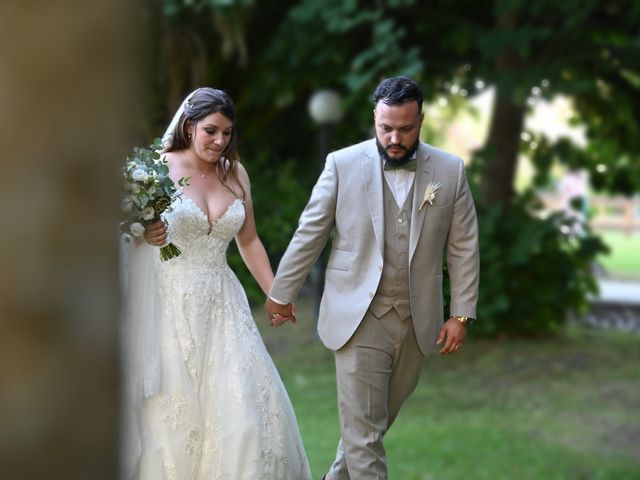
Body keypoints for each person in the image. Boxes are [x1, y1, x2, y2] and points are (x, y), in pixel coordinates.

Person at [265, 76, 480, 479]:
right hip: (357, 318)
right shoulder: (342, 164)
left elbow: (464, 246)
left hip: (419, 320)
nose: (395, 138)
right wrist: (282, 292)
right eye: (386, 128)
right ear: (374, 119)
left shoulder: (449, 171)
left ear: (421, 120)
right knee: (365, 440)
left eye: (405, 128)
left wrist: (461, 313)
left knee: (369, 430)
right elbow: (310, 233)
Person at [121, 87, 311, 479]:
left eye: (227, 132)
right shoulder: (156, 170)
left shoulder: (234, 172)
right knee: (173, 413)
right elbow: (124, 233)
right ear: (189, 127)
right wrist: (146, 234)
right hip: (169, 305)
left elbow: (249, 239)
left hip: (224, 305)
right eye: (211, 131)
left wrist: (276, 294)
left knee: (243, 410)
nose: (220, 141)